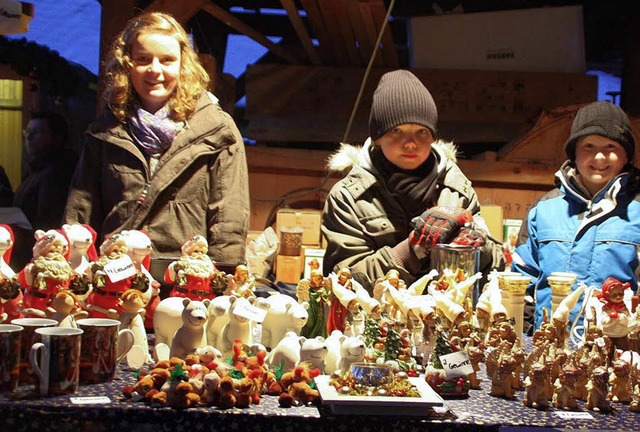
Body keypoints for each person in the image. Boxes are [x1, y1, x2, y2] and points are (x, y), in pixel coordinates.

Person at [63, 11, 249, 265]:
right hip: (115, 273)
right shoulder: (104, 132)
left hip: (186, 276)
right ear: (128, 64)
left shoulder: (217, 129)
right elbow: (80, 211)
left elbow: (230, 212)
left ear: (182, 65)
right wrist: (71, 265)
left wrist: (222, 277)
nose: (155, 70)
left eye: (167, 60)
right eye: (143, 59)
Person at [321, 69, 504, 291]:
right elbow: (342, 280)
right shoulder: (348, 197)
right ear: (378, 138)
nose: (410, 143)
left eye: (421, 131)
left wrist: (477, 248)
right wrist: (411, 250)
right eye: (396, 130)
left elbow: (496, 269)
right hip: (376, 321)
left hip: (444, 319)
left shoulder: (457, 191)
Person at [513, 101, 640, 331]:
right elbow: (522, 282)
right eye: (589, 146)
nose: (599, 157)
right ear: (574, 153)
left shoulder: (637, 211)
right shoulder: (543, 209)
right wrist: (525, 338)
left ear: (626, 156)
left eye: (611, 146)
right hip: (549, 347)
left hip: (618, 350)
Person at [13, 110, 77, 230]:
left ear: (57, 138)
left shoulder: (57, 172)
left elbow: (47, 221)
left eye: (37, 132)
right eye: (27, 131)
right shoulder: (36, 169)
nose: (28, 137)